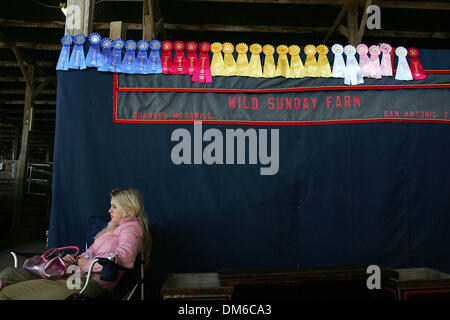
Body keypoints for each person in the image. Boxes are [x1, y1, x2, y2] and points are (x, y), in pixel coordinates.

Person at [0, 187, 151, 300]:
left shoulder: (132, 228)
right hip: (73, 275)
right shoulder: (112, 228)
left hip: (88, 283)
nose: (109, 210)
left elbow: (124, 258)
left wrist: (86, 263)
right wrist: (75, 258)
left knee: (7, 293)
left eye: (114, 206)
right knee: (9, 274)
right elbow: (90, 253)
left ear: (129, 208)